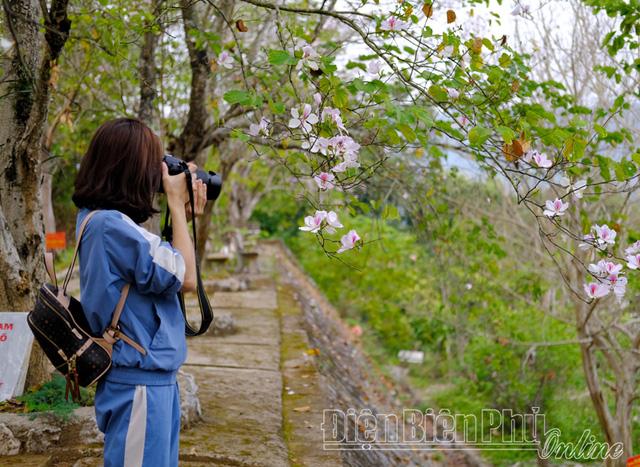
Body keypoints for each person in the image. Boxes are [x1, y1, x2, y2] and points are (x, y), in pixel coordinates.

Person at [71, 117, 207, 467]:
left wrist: (182, 214)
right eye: (152, 164)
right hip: (140, 386)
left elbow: (166, 267)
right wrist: (176, 206)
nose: (156, 176)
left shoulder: (102, 221)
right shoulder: (109, 226)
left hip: (149, 382)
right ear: (130, 169)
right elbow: (186, 276)